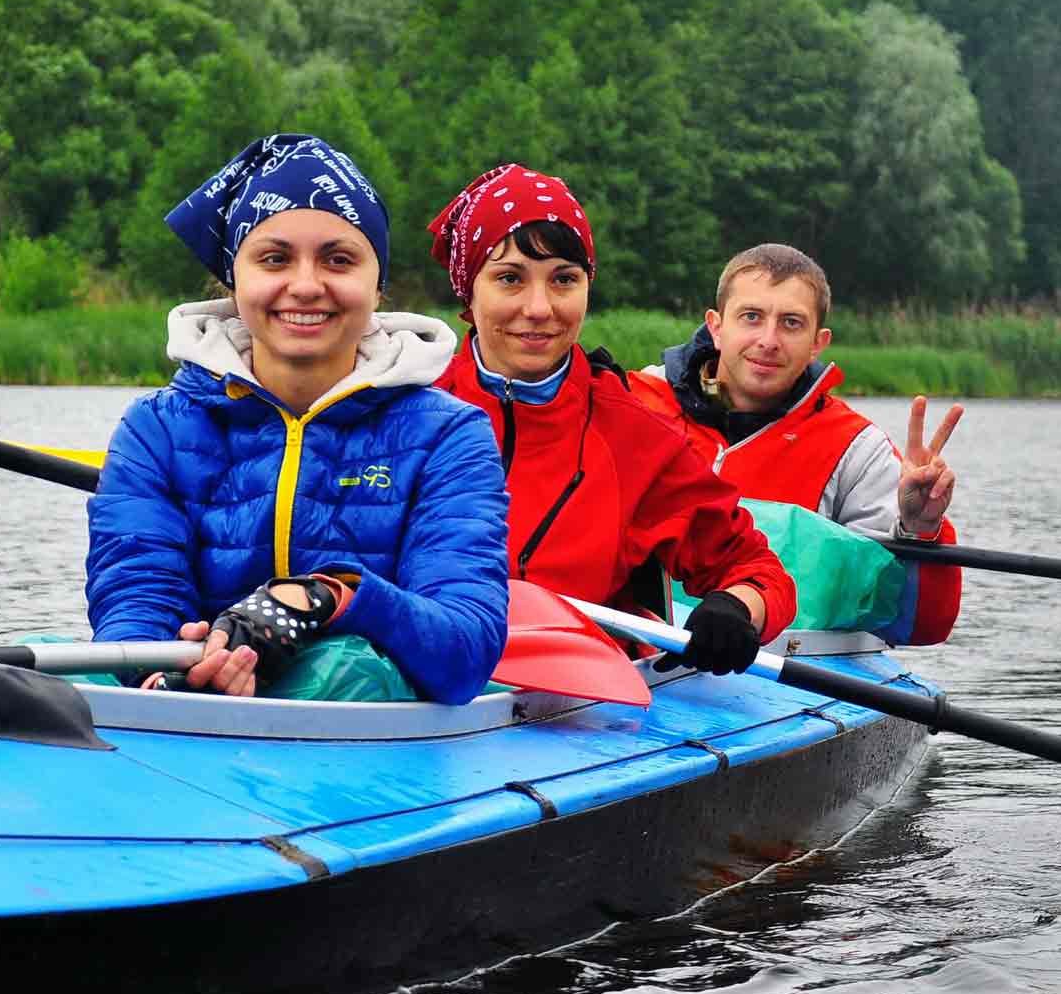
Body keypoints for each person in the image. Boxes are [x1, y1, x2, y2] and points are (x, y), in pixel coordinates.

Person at [87, 134, 509, 704]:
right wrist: (167, 676)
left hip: (371, 736)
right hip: (191, 714)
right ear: (233, 282)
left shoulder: (450, 436)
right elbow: (135, 605)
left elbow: (465, 650)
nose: (306, 285)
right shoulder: (153, 430)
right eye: (274, 258)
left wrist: (328, 596)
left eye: (338, 259)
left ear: (376, 284)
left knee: (347, 665)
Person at [427, 164, 795, 676]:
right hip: (419, 692)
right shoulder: (407, 408)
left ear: (587, 286)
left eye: (564, 280)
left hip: (566, 701)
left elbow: (759, 573)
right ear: (469, 291)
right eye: (510, 278)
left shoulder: (633, 435)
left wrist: (738, 609)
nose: (539, 308)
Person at [628, 243, 962, 647]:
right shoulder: (632, 403)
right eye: (751, 317)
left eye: (791, 323)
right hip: (631, 644)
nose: (768, 340)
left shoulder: (857, 448)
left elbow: (918, 627)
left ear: (818, 342)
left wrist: (920, 530)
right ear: (717, 327)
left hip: (781, 667)